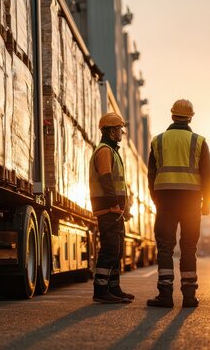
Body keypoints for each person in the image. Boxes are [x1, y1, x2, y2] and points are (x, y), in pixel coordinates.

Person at [146, 99, 210, 308]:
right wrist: (206, 203)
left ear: (172, 115)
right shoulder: (199, 141)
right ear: (190, 117)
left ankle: (165, 296)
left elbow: (151, 175)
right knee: (188, 248)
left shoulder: (158, 141)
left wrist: (156, 200)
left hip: (165, 200)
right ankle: (189, 297)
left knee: (165, 248)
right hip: (191, 201)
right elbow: (208, 175)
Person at [89, 112, 134, 304]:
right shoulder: (105, 150)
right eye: (119, 129)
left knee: (117, 250)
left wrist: (125, 208)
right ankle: (101, 290)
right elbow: (106, 179)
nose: (121, 133)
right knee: (110, 249)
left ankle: (114, 288)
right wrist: (114, 203)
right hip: (108, 209)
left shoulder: (112, 150)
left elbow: (118, 183)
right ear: (110, 131)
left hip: (115, 210)